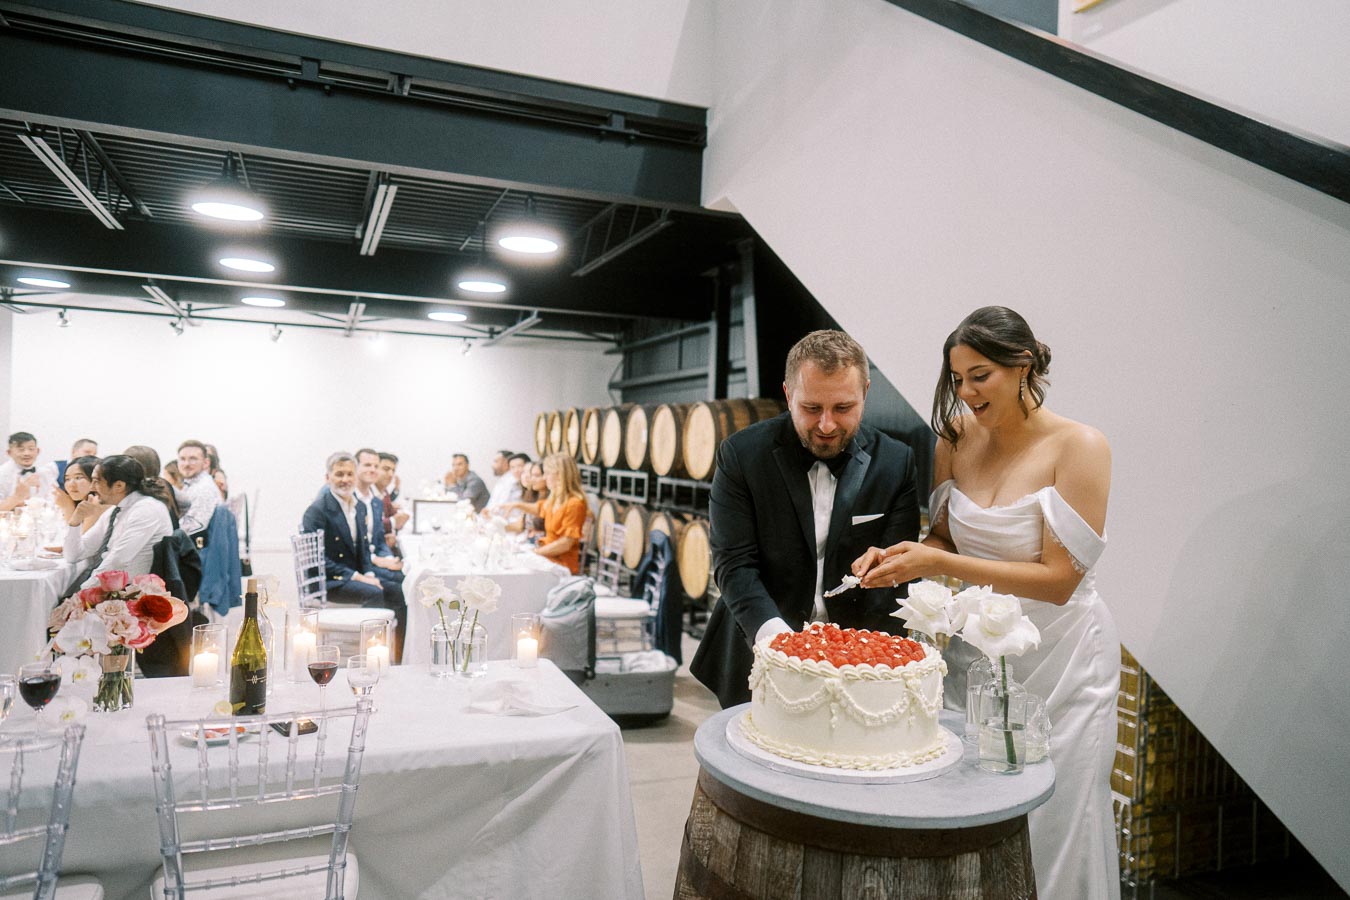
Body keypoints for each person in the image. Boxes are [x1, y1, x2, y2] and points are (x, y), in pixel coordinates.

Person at [852, 306, 1119, 898]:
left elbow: (1057, 579)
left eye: (980, 375)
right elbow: (945, 538)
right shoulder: (953, 439)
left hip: (1066, 662)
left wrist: (940, 564)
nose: (966, 392)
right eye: (957, 378)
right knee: (975, 809)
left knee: (1058, 817)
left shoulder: (1080, 446)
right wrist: (901, 554)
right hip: (978, 658)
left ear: (1022, 366)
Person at [689, 330, 921, 709]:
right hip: (756, 647)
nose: (827, 425)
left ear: (865, 391)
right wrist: (781, 646)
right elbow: (734, 565)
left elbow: (893, 576)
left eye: (843, 408)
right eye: (811, 408)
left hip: (858, 662)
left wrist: (868, 666)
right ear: (787, 394)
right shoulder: (741, 455)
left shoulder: (896, 462)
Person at [301, 452, 406, 659]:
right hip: (328, 582)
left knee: (398, 589)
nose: (345, 480)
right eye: (339, 474)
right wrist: (360, 577)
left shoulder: (357, 506)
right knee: (374, 592)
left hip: (353, 574)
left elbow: (364, 550)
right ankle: (367, 655)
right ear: (327, 477)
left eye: (349, 474)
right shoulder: (317, 511)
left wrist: (369, 572)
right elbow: (318, 562)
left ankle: (398, 654)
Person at [62, 455, 173, 591]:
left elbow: (117, 561)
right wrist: (75, 521)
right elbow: (73, 555)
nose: (91, 488)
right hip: (112, 588)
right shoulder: (115, 511)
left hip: (134, 594)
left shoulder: (146, 509)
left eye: (96, 481)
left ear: (119, 486)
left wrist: (83, 591)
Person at [532, 454, 588, 575]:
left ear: (559, 475)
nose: (544, 478)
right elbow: (538, 508)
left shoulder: (575, 504)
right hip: (549, 559)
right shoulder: (554, 500)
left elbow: (565, 544)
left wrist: (536, 553)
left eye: (547, 473)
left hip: (561, 566)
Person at [0, 431, 59, 511]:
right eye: (21, 449)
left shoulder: (45, 473)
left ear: (37, 451)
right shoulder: (2, 474)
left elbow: (56, 499)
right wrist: (16, 498)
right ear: (9, 453)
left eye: (31, 449)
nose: (26, 453)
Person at [175, 440, 219, 542]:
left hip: (196, 551)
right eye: (182, 459)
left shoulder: (203, 488)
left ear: (206, 463)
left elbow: (194, 528)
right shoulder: (192, 484)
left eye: (193, 459)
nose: (186, 464)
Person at [53, 455, 105, 534]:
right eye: (67, 479)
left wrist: (68, 508)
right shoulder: (84, 501)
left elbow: (78, 543)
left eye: (78, 478)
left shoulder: (98, 502)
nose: (71, 484)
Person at [375, 452, 409, 553]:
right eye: (386, 469)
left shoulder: (384, 491)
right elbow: (369, 526)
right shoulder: (367, 494)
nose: (390, 474)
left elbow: (390, 512)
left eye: (393, 470)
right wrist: (394, 522)